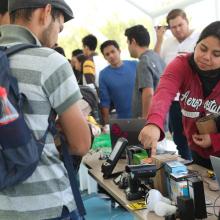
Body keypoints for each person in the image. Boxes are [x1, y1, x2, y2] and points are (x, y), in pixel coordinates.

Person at [0, 0, 91, 219]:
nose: (57, 37)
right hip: (48, 205)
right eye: (59, 27)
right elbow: (81, 144)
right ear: (46, 12)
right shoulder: (51, 62)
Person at [139, 21, 220, 169]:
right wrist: (154, 122)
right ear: (196, 44)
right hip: (197, 153)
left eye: (216, 54)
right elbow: (164, 91)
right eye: (203, 48)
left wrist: (215, 140)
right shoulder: (182, 64)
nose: (206, 57)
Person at [154, 9, 200, 160]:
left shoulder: (200, 37)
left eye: (180, 25)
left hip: (197, 99)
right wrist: (159, 40)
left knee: (198, 138)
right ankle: (188, 167)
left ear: (187, 21)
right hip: (175, 100)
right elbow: (155, 61)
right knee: (179, 139)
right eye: (173, 27)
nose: (178, 30)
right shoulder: (167, 43)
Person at [124, 25, 166, 119]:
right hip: (162, 118)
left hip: (151, 123)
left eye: (128, 43)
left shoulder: (144, 61)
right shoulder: (157, 58)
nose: (128, 47)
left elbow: (148, 94)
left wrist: (145, 121)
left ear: (133, 42)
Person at [99, 40, 137, 125]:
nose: (111, 56)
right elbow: (105, 101)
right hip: (123, 121)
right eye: (107, 54)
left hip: (144, 116)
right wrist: (106, 123)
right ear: (104, 57)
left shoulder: (135, 65)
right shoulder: (103, 75)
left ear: (119, 51)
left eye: (113, 51)